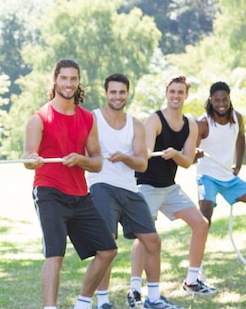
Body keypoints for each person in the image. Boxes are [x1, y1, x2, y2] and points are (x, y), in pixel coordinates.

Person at [22, 58, 117, 309]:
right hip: (49, 191)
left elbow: (97, 162)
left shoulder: (87, 118)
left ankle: (83, 303)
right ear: (55, 80)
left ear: (78, 81)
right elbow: (28, 158)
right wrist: (32, 159)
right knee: (55, 255)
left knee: (108, 250)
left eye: (73, 78)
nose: (69, 83)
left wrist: (81, 159)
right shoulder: (39, 118)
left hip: (80, 194)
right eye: (64, 78)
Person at [89, 74, 182, 309]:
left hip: (130, 189)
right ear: (106, 93)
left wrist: (125, 157)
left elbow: (142, 163)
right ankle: (103, 302)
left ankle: (152, 299)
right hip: (101, 185)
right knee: (106, 244)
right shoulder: (93, 119)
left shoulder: (136, 124)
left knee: (153, 241)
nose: (117, 97)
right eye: (113, 92)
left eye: (122, 92)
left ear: (127, 94)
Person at [132, 74, 216, 302]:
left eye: (180, 92)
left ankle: (192, 281)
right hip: (146, 184)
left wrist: (176, 154)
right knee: (145, 235)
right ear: (166, 94)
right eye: (172, 92)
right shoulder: (155, 120)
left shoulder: (190, 125)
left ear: (186, 95)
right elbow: (147, 154)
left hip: (169, 188)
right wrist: (151, 151)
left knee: (201, 224)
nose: (176, 96)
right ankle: (135, 289)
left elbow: (188, 162)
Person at [195, 81, 246, 273]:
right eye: (217, 100)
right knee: (205, 218)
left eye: (225, 100)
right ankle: (197, 269)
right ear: (211, 100)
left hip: (229, 179)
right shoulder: (203, 122)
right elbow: (191, 153)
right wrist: (195, 153)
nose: (221, 103)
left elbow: (240, 137)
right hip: (207, 177)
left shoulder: (237, 118)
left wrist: (237, 166)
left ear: (229, 99)